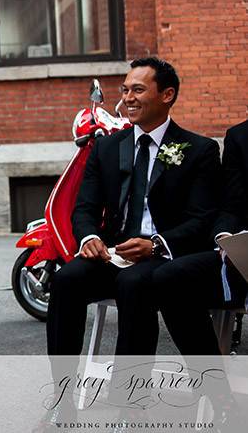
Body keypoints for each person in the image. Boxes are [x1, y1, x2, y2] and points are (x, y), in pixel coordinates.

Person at [43, 57, 220, 426]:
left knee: (135, 282)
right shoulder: (107, 147)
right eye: (125, 90)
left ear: (167, 95)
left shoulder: (199, 150)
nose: (127, 98)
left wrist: (155, 245)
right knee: (66, 280)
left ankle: (130, 401)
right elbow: (85, 207)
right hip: (112, 252)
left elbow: (201, 221)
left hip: (163, 255)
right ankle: (62, 396)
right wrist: (89, 236)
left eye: (138, 89)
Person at [150, 118, 248, 425]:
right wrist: (225, 238)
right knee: (170, 278)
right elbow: (231, 206)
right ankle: (220, 399)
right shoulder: (240, 136)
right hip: (245, 258)